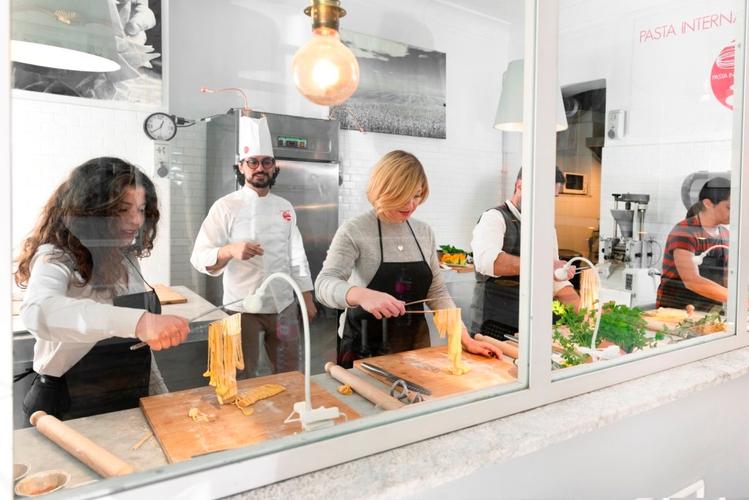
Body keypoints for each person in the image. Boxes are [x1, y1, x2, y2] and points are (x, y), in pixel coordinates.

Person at [15, 157, 189, 420]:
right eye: (122, 210)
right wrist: (139, 321)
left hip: (126, 397)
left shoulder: (126, 257)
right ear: (90, 211)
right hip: (69, 403)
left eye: (141, 209)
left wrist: (160, 398)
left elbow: (139, 349)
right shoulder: (56, 256)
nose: (136, 220)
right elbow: (38, 312)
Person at [315, 150, 503, 368]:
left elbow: (436, 292)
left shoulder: (424, 232)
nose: (411, 204)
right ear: (384, 189)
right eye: (404, 196)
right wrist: (361, 294)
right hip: (363, 350)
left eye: (417, 195)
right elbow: (324, 283)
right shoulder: (355, 230)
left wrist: (463, 338)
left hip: (415, 349)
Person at [191, 116, 316, 377]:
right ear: (241, 166)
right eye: (253, 162)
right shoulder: (226, 206)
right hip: (241, 307)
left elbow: (297, 257)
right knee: (241, 375)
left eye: (266, 162)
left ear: (274, 167)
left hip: (283, 305)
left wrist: (306, 298)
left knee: (291, 373)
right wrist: (230, 250)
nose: (260, 168)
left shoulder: (285, 207)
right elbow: (199, 256)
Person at [470, 167, 581, 338]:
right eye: (541, 196)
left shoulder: (547, 228)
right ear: (520, 186)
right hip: (493, 325)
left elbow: (553, 278)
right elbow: (488, 262)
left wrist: (583, 311)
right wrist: (544, 266)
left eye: (551, 198)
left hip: (531, 326)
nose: (546, 204)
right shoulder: (494, 217)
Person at [657, 177, 730, 311]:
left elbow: (727, 278)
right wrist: (737, 299)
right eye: (729, 207)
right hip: (675, 310)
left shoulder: (726, 235)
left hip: (708, 311)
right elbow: (692, 281)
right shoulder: (685, 231)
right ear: (708, 203)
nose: (734, 212)